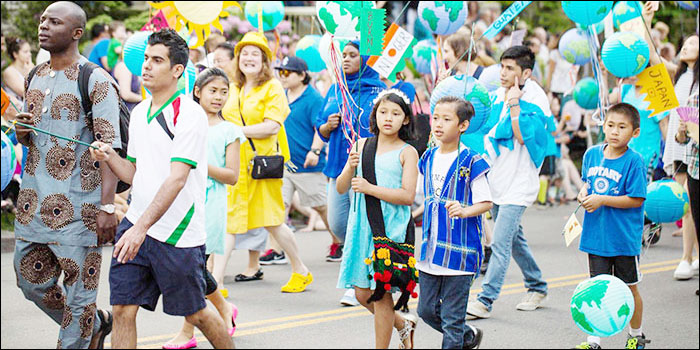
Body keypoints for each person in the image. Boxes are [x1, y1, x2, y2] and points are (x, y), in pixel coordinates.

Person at [89, 28, 233, 349]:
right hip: (138, 225)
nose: (147, 67)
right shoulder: (139, 112)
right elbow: (134, 172)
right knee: (123, 309)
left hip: (178, 233)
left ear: (177, 70)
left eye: (157, 60)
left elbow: (177, 178)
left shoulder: (191, 115)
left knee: (196, 314)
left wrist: (140, 228)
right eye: (146, 59)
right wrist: (110, 156)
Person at [12, 2, 120, 348]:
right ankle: (97, 324)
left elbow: (108, 151)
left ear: (76, 33)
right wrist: (22, 132)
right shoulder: (35, 75)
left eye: (54, 22)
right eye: (43, 20)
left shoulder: (97, 80)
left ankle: (82, 329)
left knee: (78, 298)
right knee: (30, 282)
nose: (44, 26)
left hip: (79, 209)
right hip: (33, 205)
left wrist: (106, 208)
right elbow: (33, 137)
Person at [219, 31, 313, 293]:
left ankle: (300, 270)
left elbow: (272, 126)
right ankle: (214, 281)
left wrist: (235, 132)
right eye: (244, 53)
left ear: (264, 61)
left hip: (260, 167)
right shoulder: (232, 86)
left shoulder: (272, 88)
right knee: (229, 221)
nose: (248, 58)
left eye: (255, 54)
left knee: (273, 222)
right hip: (234, 165)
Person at [162, 67, 243, 349]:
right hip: (182, 199)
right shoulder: (182, 122)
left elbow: (232, 176)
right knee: (192, 267)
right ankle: (223, 308)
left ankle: (187, 333)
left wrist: (196, 163)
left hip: (211, 202)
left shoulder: (230, 130)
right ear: (197, 92)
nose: (218, 97)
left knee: (193, 267)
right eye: (213, 91)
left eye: (224, 92)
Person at [467, 46, 549, 320]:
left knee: (500, 243)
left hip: (519, 184)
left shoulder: (537, 99)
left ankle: (485, 301)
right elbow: (474, 120)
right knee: (514, 241)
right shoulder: (496, 95)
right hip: (497, 180)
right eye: (502, 66)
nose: (503, 73)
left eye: (510, 68)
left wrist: (515, 103)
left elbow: (524, 136)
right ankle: (537, 285)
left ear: (526, 72)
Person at [336, 89, 419, 349]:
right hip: (361, 227)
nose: (388, 118)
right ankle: (402, 324)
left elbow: (407, 196)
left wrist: (370, 188)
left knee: (381, 294)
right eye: (383, 112)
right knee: (362, 293)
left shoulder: (408, 152)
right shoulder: (361, 145)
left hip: (389, 228)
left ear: (405, 119)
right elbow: (341, 187)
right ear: (375, 114)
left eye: (396, 114)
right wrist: (350, 167)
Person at [416, 96, 492, 349]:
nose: (438, 124)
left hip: (460, 253)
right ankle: (466, 334)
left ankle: (458, 334)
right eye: (435, 117)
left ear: (463, 126)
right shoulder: (427, 157)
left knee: (451, 318)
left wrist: (464, 210)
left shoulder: (472, 161)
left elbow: (486, 202)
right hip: (430, 251)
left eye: (446, 119)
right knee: (426, 310)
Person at [574, 103, 649, 349]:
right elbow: (587, 182)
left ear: (634, 132)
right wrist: (583, 192)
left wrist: (602, 199)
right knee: (597, 291)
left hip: (623, 239)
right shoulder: (591, 154)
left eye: (622, 127)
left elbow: (636, 199)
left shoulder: (634, 161)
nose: (614, 131)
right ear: (603, 126)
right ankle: (594, 341)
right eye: (610, 125)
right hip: (596, 237)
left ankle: (635, 336)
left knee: (629, 289)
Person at [317, 40, 386, 304]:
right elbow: (321, 130)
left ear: (365, 58)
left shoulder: (378, 90)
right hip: (338, 167)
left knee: (362, 224)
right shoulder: (336, 89)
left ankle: (360, 280)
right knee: (337, 223)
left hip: (367, 167)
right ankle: (364, 264)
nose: (345, 59)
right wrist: (326, 126)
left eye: (353, 55)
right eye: (343, 55)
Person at [259, 56, 338, 265]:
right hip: (283, 163)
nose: (282, 77)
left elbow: (318, 127)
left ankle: (338, 241)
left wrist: (314, 151)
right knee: (278, 206)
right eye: (280, 72)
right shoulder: (282, 95)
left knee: (321, 206)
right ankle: (274, 250)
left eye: (287, 72)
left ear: (302, 75)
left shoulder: (313, 98)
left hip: (307, 164)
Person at [661, 34, 699, 279]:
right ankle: (686, 257)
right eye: (685, 43)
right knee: (689, 206)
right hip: (684, 147)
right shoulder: (680, 75)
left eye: (693, 43)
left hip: (694, 148)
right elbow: (654, 58)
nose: (687, 46)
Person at [675, 89, 700, 296]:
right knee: (696, 220)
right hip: (696, 169)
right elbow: (681, 139)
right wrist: (683, 130)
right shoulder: (694, 98)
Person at [2, 37, 34, 101]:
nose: (29, 54)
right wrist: (30, 72)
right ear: (15, 54)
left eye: (29, 51)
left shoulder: (29, 67)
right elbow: (25, 93)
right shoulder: (9, 72)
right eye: (25, 52)